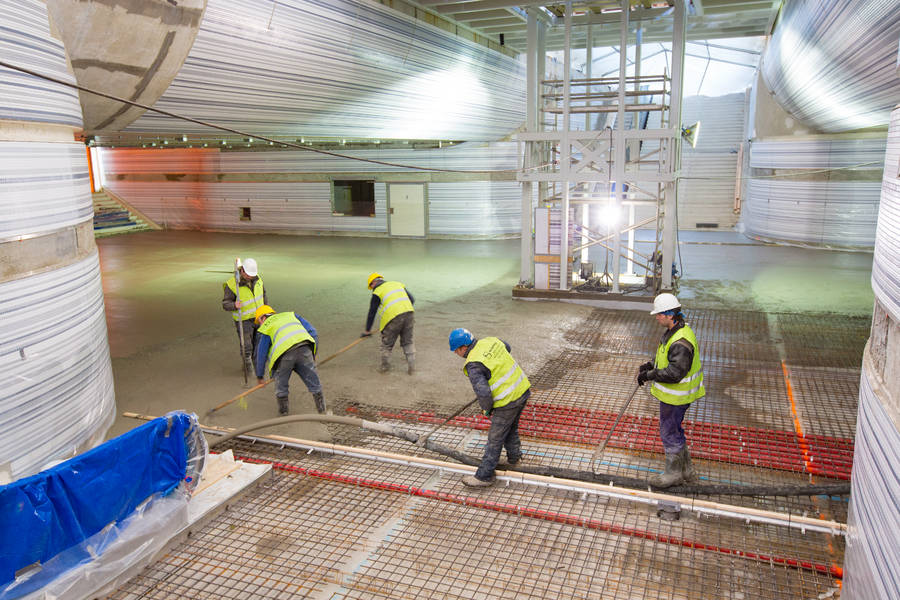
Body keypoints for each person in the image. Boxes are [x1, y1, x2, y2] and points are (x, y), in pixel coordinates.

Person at [636, 293, 704, 488]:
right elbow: (667, 358)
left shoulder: (681, 341)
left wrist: (649, 375)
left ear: (670, 315)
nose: (656, 317)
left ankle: (674, 474)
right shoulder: (675, 331)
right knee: (675, 430)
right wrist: (651, 365)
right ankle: (687, 471)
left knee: (669, 433)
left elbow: (675, 373)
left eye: (659, 314)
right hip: (675, 396)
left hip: (676, 397)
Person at [449, 328, 531, 488]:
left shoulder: (473, 364)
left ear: (463, 348)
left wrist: (486, 409)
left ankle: (484, 476)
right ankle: (514, 459)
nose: (456, 353)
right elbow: (507, 347)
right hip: (522, 390)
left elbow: (484, 393)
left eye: (456, 350)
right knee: (511, 428)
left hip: (507, 401)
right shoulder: (490, 341)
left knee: (495, 438)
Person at [254, 305, 326, 416]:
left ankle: (284, 413)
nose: (260, 325)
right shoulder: (291, 315)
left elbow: (261, 353)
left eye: (259, 322)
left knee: (281, 385)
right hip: (304, 349)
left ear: (263, 318)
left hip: (284, 356)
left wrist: (260, 375)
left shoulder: (266, 326)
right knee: (314, 382)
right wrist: (312, 354)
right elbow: (313, 332)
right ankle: (322, 411)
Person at [361, 273, 415, 374]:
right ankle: (411, 367)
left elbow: (372, 312)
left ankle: (384, 368)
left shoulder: (377, 292)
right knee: (408, 342)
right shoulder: (397, 284)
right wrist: (403, 312)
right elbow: (412, 300)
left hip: (392, 318)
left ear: (373, 283)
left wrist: (367, 330)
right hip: (409, 313)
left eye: (371, 286)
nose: (372, 289)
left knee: (387, 345)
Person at [222, 258, 267, 372]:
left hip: (259, 317)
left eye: (252, 275)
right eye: (248, 275)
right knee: (247, 346)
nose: (250, 277)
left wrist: (266, 311)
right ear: (242, 270)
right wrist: (234, 305)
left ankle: (258, 365)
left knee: (259, 342)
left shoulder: (258, 279)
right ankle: (247, 366)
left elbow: (263, 295)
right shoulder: (232, 285)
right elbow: (225, 304)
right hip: (244, 320)